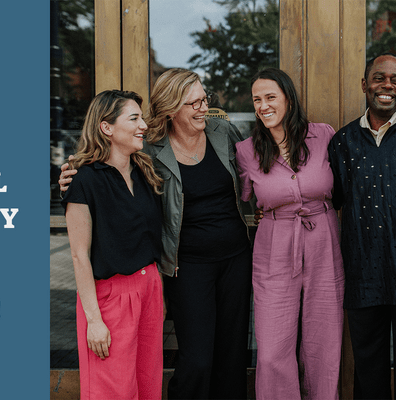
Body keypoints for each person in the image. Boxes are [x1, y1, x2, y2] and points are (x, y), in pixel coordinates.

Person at [61, 68, 253, 400]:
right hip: (186, 265)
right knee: (195, 360)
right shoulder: (148, 148)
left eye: (204, 99)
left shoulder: (223, 133)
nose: (202, 107)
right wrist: (73, 177)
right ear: (171, 108)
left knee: (230, 354)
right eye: (192, 102)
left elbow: (258, 163)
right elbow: (105, 166)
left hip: (234, 259)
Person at [327, 53, 396, 400]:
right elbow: (334, 200)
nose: (387, 85)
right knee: (368, 368)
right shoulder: (343, 142)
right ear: (365, 84)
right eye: (379, 78)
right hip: (363, 272)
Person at [237, 67, 345, 399]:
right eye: (257, 99)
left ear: (288, 98)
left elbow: (344, 184)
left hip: (324, 239)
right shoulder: (246, 150)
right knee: (271, 350)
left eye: (270, 97)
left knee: (323, 343)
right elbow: (238, 200)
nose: (263, 106)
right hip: (274, 244)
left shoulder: (323, 135)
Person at [62, 90, 165, 399]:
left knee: (147, 386)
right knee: (113, 390)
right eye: (133, 118)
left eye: (142, 118)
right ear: (106, 128)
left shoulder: (144, 172)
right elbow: (80, 256)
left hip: (149, 288)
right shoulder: (84, 180)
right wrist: (94, 320)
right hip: (109, 299)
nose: (143, 125)